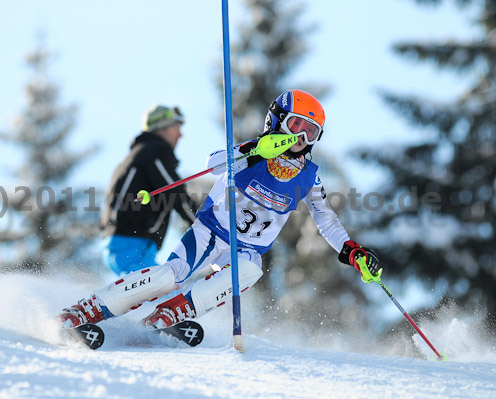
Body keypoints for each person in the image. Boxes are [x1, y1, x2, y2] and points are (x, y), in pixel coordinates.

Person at [60, 89, 381, 330]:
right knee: (168, 276)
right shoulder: (251, 153)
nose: (300, 136)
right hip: (209, 234)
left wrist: (350, 250)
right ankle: (92, 307)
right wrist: (255, 149)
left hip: (246, 249)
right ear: (278, 120)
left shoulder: (309, 176)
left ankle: (175, 311)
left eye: (310, 131)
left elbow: (325, 217)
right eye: (296, 124)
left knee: (251, 270)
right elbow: (212, 164)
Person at [99, 105, 196, 275]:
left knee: (163, 288)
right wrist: (201, 223)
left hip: (130, 244)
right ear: (161, 129)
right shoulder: (153, 151)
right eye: (176, 128)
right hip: (129, 243)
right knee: (161, 290)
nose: (180, 135)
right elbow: (174, 191)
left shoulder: (140, 154)